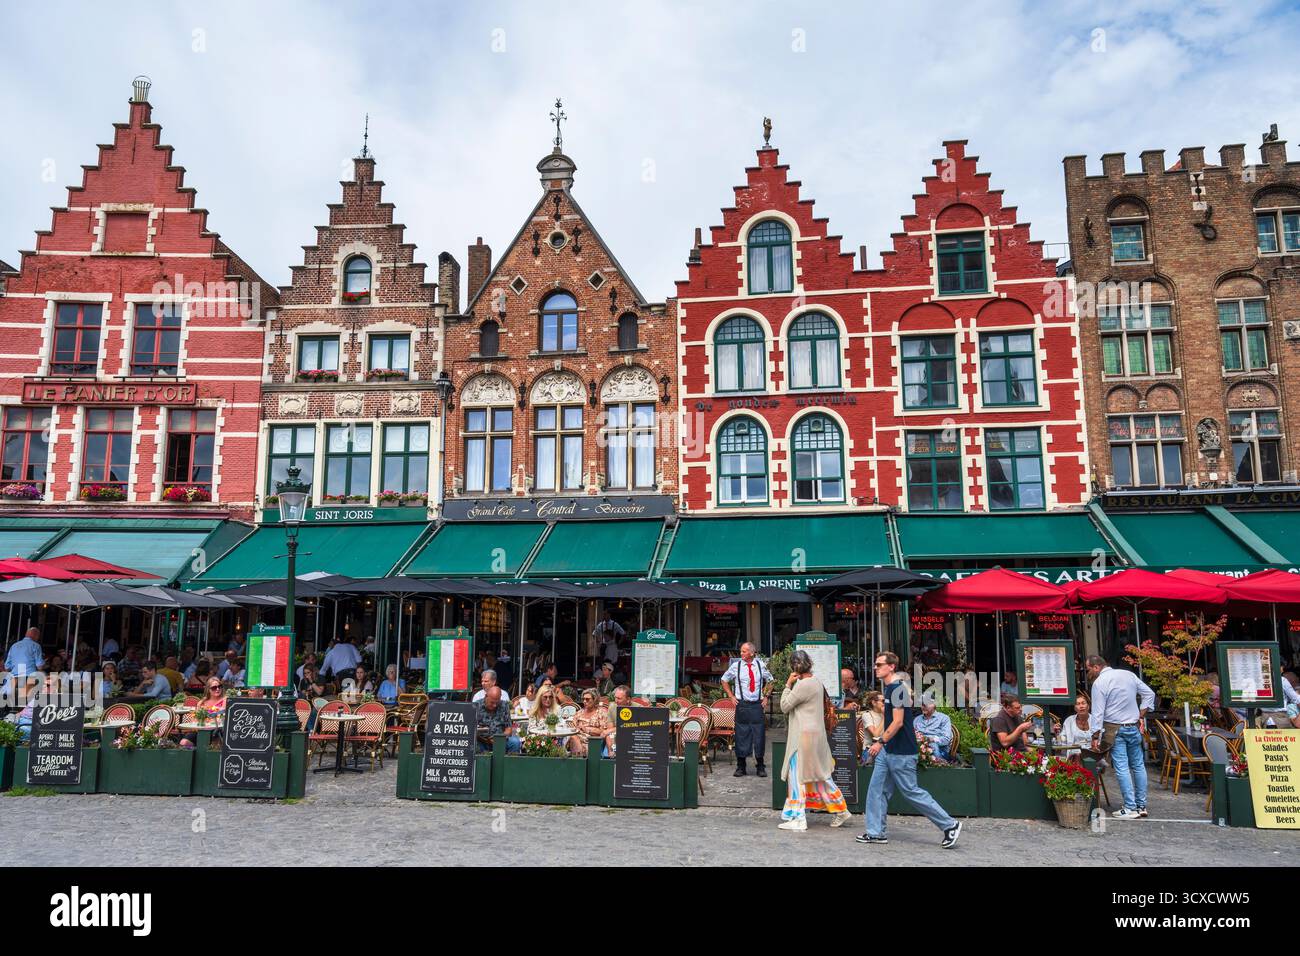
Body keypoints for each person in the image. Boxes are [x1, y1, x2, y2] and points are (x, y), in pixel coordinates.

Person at [858, 651, 961, 849]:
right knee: (876, 790)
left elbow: (897, 723)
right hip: (889, 750)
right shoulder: (891, 689)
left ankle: (950, 825)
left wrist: (879, 742)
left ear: (891, 667)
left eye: (879, 665)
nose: (875, 668)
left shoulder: (897, 690)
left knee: (911, 791)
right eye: (875, 664)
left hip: (902, 750)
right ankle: (876, 833)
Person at [777, 649, 851, 831]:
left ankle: (798, 817)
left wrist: (788, 685)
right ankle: (841, 809)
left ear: (794, 667)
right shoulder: (817, 682)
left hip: (802, 737)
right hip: (816, 735)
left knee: (797, 776)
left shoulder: (802, 685)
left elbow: (785, 706)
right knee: (821, 775)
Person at [1086, 654, 1155, 820]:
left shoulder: (1100, 682)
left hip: (1114, 729)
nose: (1088, 673)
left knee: (1122, 767)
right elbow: (1150, 694)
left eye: (1089, 669)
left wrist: (1095, 735)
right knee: (1138, 766)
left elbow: (1097, 712)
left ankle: (1130, 807)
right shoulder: (1128, 675)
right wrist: (1140, 714)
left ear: (1096, 667)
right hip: (1133, 727)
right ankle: (1141, 805)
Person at [721, 642, 772, 777]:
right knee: (741, 735)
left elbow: (771, 680)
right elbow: (724, 680)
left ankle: (760, 766)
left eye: (744, 651)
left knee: (759, 735)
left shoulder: (760, 665)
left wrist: (766, 696)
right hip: (742, 705)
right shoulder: (736, 666)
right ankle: (741, 766)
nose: (741, 653)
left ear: (751, 653)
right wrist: (731, 696)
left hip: (757, 705)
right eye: (741, 651)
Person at [568, 688, 613, 756]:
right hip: (576, 738)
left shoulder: (601, 713)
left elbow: (603, 732)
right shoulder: (579, 713)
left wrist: (586, 729)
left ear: (595, 700)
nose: (584, 701)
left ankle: (578, 760)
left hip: (592, 741)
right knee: (569, 738)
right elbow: (573, 727)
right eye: (583, 699)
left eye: (587, 699)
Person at [475, 687, 521, 753]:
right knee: (473, 744)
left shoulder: (504, 705)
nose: (494, 705)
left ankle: (510, 763)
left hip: (500, 740)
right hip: (482, 741)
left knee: (515, 742)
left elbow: (509, 729)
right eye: (492, 702)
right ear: (486, 696)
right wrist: (485, 740)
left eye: (497, 702)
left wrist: (499, 739)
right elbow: (471, 730)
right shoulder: (477, 706)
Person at [914, 697, 955, 763]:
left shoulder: (944, 718)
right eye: (922, 704)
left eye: (926, 704)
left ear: (934, 705)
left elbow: (946, 739)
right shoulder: (917, 719)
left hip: (939, 750)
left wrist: (928, 739)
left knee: (933, 745)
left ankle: (940, 767)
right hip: (918, 748)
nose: (923, 707)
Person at [1058, 692, 1098, 759]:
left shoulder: (1095, 720)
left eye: (1083, 703)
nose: (1081, 706)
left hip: (1092, 754)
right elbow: (1062, 741)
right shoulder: (1069, 720)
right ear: (1075, 708)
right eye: (1078, 704)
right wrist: (1058, 733)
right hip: (1074, 755)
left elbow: (1100, 740)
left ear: (1088, 706)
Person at [860, 690, 885, 759]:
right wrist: (885, 717)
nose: (885, 703)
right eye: (883, 701)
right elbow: (876, 734)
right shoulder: (867, 715)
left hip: (885, 750)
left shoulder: (887, 714)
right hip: (871, 751)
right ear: (874, 703)